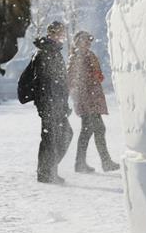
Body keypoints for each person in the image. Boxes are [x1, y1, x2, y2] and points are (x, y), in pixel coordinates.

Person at [68, 31, 119, 173]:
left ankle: (83, 163)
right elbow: (72, 80)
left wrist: (96, 76)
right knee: (95, 129)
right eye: (85, 41)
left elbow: (98, 76)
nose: (88, 43)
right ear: (78, 42)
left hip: (93, 98)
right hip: (86, 100)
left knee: (91, 130)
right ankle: (103, 162)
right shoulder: (76, 57)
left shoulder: (89, 55)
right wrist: (83, 94)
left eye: (89, 41)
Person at [31, 21, 74, 184]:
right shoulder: (44, 52)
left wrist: (63, 104)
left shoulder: (54, 51)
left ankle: (48, 170)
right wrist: (46, 105)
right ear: (52, 34)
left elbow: (59, 81)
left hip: (56, 104)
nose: (62, 36)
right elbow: (41, 82)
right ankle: (46, 173)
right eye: (59, 33)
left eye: (62, 33)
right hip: (49, 104)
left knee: (61, 136)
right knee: (51, 138)